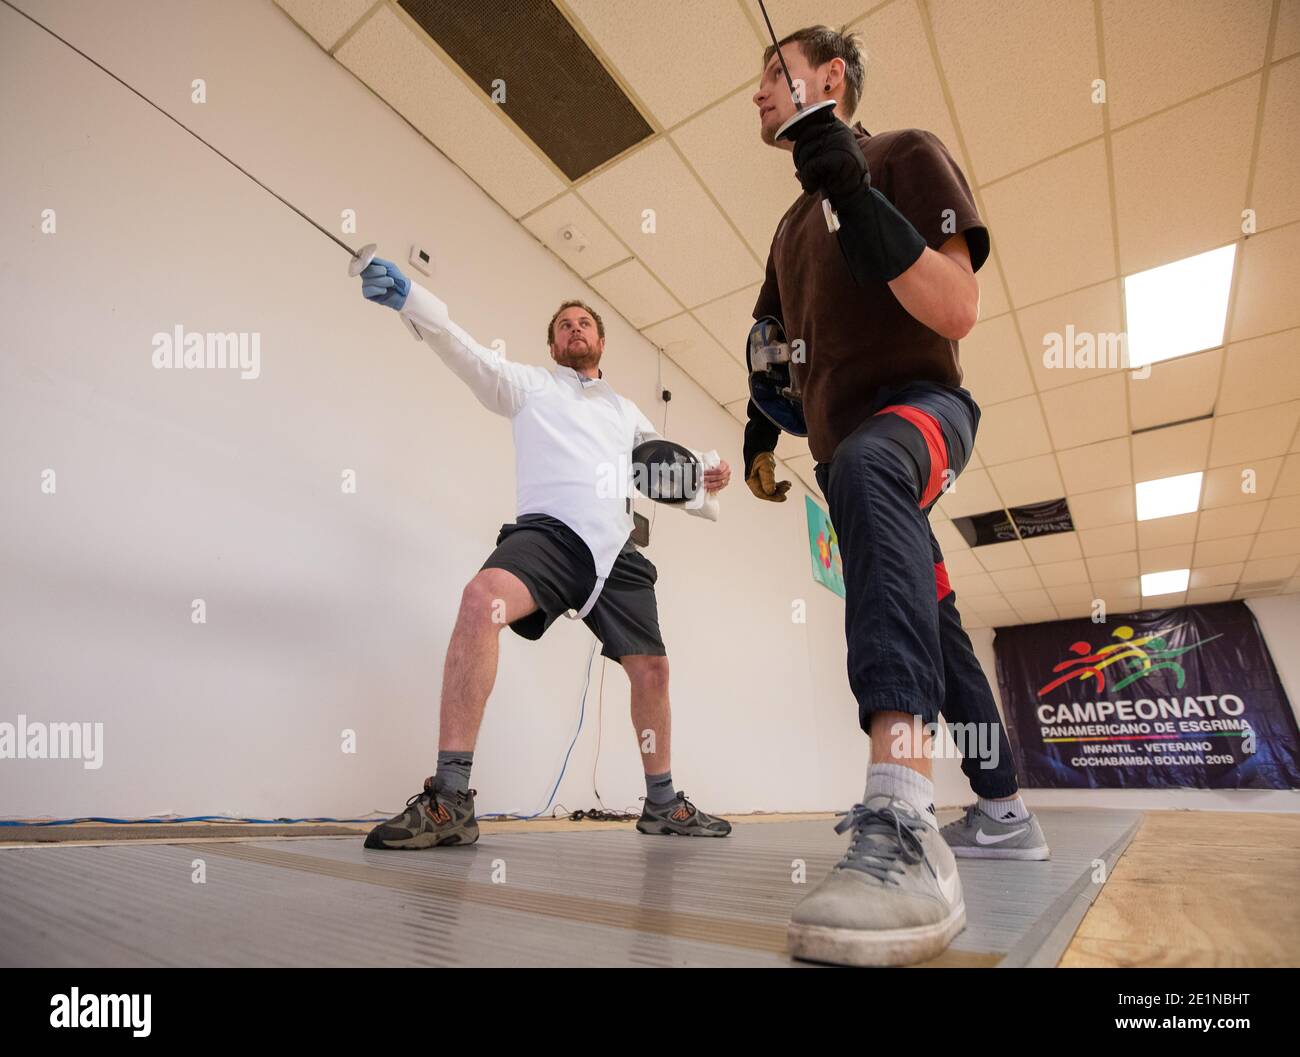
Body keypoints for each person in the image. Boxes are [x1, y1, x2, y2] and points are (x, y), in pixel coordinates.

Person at [746, 24, 1048, 966]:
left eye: (774, 75)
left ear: (831, 79)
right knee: (937, 621)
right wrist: (761, 424)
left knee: (873, 466)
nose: (756, 95)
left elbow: (956, 309)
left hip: (920, 414)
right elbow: (772, 352)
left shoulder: (903, 154)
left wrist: (849, 182)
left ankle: (904, 817)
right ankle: (1003, 811)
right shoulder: (789, 231)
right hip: (846, 457)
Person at [356, 265, 733, 847]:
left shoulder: (627, 412)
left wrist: (707, 477)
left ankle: (662, 805)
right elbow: (468, 353)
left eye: (584, 323)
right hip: (549, 537)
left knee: (653, 669)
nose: (575, 329)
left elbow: (667, 472)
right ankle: (452, 798)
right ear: (553, 345)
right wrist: (415, 302)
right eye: (564, 325)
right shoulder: (530, 385)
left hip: (616, 551)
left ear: (601, 342)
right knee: (482, 600)